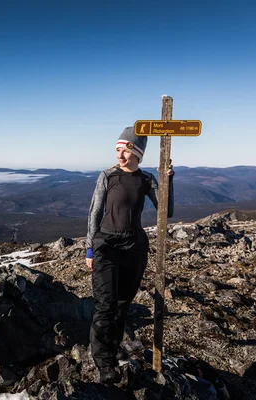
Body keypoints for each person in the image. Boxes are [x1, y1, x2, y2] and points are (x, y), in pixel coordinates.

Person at [85, 126, 174, 384]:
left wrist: (168, 181)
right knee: (105, 306)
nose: (120, 156)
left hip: (134, 248)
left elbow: (165, 212)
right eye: (117, 151)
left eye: (124, 151)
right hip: (107, 247)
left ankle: (112, 354)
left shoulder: (146, 180)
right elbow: (94, 213)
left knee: (122, 307)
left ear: (137, 153)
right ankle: (104, 364)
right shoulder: (107, 176)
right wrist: (90, 248)